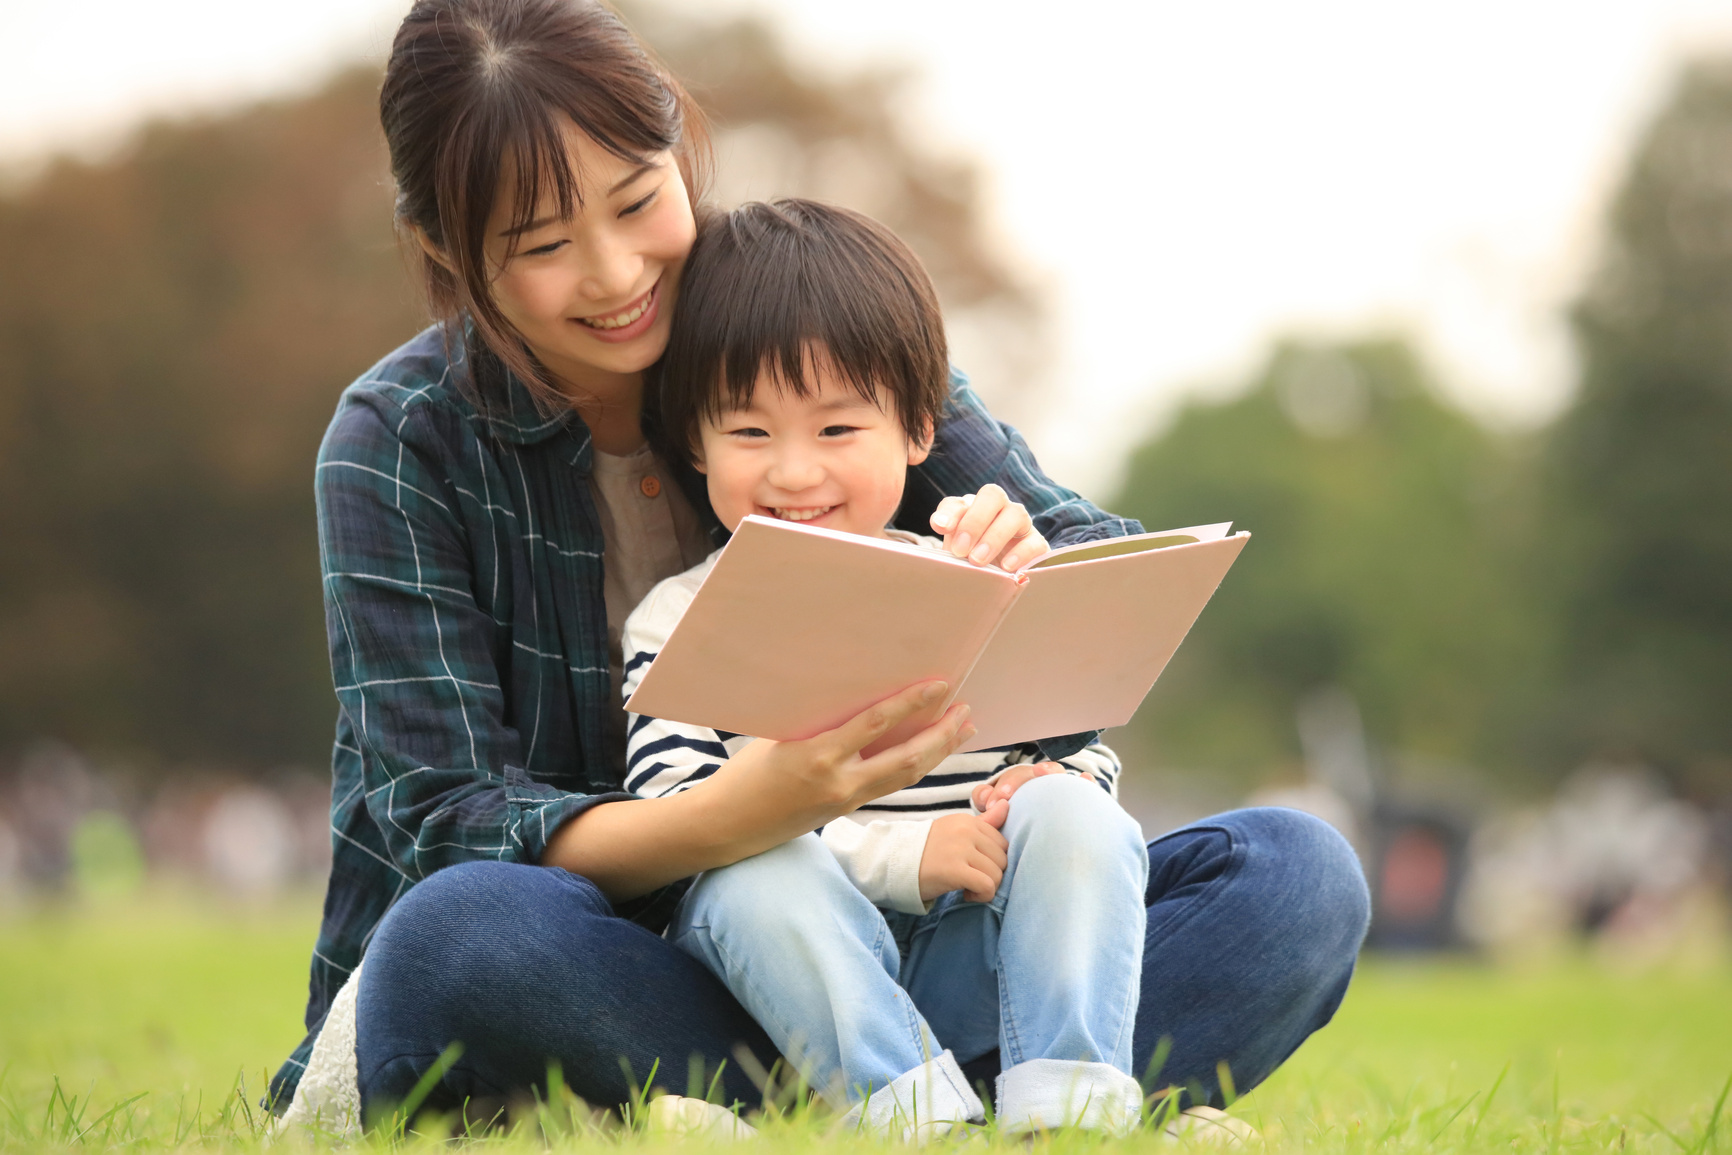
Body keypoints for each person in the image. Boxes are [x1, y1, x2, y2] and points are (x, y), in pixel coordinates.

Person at [269, 0, 1370, 1135]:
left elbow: (1092, 558)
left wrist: (1020, 550)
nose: (611, 274)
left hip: (930, 940)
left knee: (1296, 879)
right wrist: (746, 815)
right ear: (449, 252)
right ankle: (946, 1094)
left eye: (640, 202)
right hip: (650, 968)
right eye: (543, 247)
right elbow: (448, 818)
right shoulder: (399, 442)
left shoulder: (802, 322)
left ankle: (931, 1100)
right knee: (463, 934)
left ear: (680, 148)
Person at [622, 198, 1147, 1137]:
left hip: (967, 948)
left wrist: (1057, 779)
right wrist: (905, 857)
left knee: (1082, 815)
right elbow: (679, 818)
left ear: (918, 431)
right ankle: (915, 1118)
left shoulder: (970, 582)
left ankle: (1068, 1113)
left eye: (836, 431)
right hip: (790, 964)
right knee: (750, 876)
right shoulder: (677, 619)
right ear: (695, 440)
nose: (791, 473)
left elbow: (1079, 743)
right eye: (748, 433)